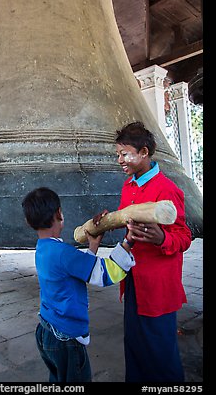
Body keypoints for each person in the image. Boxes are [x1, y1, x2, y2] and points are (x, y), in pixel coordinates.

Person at [93, 121, 192, 383]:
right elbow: (130, 226)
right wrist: (108, 221)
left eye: (125, 154)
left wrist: (162, 238)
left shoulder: (168, 189)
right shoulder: (129, 186)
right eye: (118, 154)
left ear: (144, 153)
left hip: (158, 286)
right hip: (134, 279)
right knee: (135, 345)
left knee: (161, 353)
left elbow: (184, 237)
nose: (119, 160)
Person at [22, 186, 135, 383]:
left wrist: (93, 246)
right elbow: (103, 274)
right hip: (66, 340)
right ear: (59, 213)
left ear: (29, 222)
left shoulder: (43, 249)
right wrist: (128, 243)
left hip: (47, 333)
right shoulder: (64, 253)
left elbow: (77, 271)